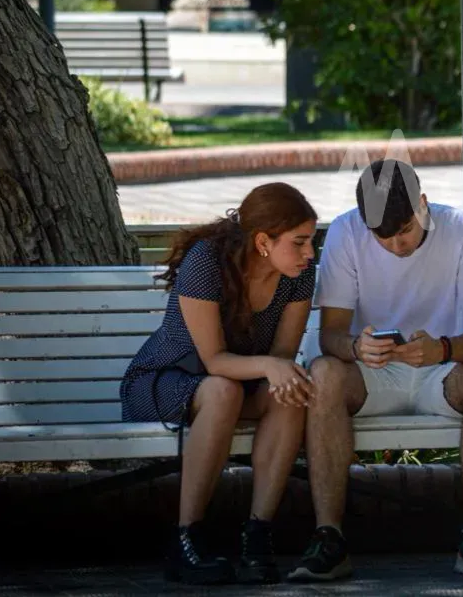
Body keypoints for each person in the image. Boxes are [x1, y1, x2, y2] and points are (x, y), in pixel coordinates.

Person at [289, 158, 463, 582]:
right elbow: (330, 336)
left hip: (442, 372)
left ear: (423, 204)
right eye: (383, 238)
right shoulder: (345, 231)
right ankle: (329, 537)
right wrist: (355, 346)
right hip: (373, 373)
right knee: (325, 372)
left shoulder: (462, 231)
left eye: (405, 230)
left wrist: (444, 348)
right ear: (363, 222)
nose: (397, 245)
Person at [120, 182, 320, 586]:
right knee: (222, 389)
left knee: (290, 393)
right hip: (167, 379)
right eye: (299, 242)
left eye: (311, 242)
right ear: (264, 241)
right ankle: (186, 538)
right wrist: (269, 367)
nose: (310, 253)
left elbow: (281, 356)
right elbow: (213, 362)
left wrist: (278, 372)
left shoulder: (298, 274)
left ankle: (257, 535)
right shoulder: (206, 263)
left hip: (234, 386)